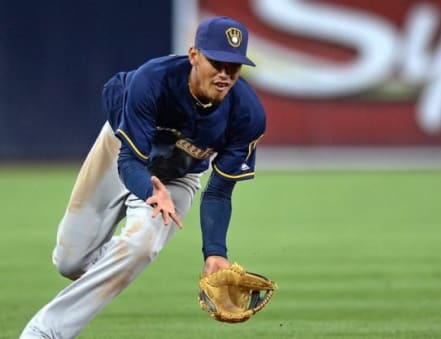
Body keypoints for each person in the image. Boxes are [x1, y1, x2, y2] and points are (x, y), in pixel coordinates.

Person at [20, 16, 266, 338]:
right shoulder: (153, 81)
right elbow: (129, 161)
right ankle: (117, 258)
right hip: (120, 152)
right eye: (216, 62)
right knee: (70, 264)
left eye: (233, 66)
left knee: (142, 245)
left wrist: (215, 253)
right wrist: (148, 190)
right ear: (193, 55)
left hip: (179, 177)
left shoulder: (247, 115)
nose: (224, 74)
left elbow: (219, 192)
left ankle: (44, 331)